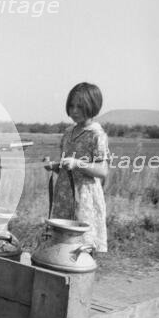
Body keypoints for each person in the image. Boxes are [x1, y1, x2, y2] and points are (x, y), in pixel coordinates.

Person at [43, 82, 109, 252]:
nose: (74, 111)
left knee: (81, 244)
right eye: (71, 106)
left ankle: (82, 276)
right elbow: (68, 166)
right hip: (64, 196)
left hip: (84, 197)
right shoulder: (67, 133)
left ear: (92, 106)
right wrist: (56, 166)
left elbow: (102, 170)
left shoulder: (96, 135)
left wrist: (77, 164)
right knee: (62, 242)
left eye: (80, 106)